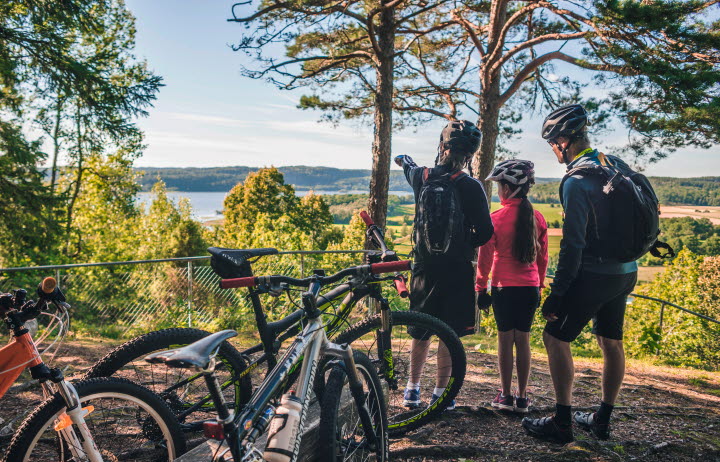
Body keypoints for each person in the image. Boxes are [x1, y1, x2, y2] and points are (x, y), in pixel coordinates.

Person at [521, 104, 638, 443]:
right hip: (626, 271)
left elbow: (573, 245)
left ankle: (562, 423)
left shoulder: (576, 180)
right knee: (611, 341)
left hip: (594, 273)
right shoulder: (613, 164)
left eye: (552, 144)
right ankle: (601, 420)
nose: (553, 150)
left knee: (555, 338)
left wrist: (558, 293)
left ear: (562, 141)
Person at [395, 120, 493, 410]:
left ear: (442, 146)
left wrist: (404, 159)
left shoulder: (421, 177)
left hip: (424, 268)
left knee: (420, 330)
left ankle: (412, 390)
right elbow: (486, 233)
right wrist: (464, 242)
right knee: (448, 334)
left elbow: (406, 164)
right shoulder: (471, 186)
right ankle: (441, 395)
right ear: (470, 155)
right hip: (457, 269)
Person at [476, 159, 548, 414]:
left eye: (499, 186)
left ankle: (505, 395)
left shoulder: (495, 218)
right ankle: (523, 396)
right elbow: (543, 258)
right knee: (524, 341)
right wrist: (539, 287)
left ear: (507, 189)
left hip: (503, 287)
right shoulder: (537, 218)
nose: (498, 191)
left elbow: (485, 258)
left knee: (505, 340)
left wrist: (480, 289)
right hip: (529, 288)